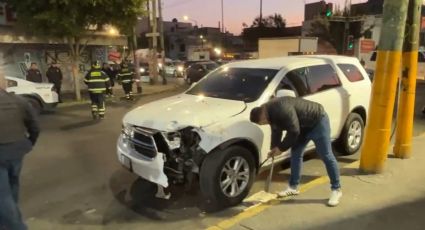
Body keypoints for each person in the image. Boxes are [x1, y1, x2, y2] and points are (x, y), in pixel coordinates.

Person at [250, 97, 342, 207]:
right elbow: (276, 131)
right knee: (296, 154)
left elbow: (293, 131)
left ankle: (336, 189)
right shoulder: (269, 113)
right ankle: (293, 187)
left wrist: (281, 148)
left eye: (262, 123)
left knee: (326, 155)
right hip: (302, 126)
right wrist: (274, 148)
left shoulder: (280, 109)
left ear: (262, 116)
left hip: (318, 122)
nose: (264, 124)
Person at [0, 69, 40, 230]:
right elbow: (35, 126)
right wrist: (29, 143)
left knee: (3, 195)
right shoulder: (20, 101)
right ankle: (8, 216)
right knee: (13, 184)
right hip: (17, 151)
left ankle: (15, 224)